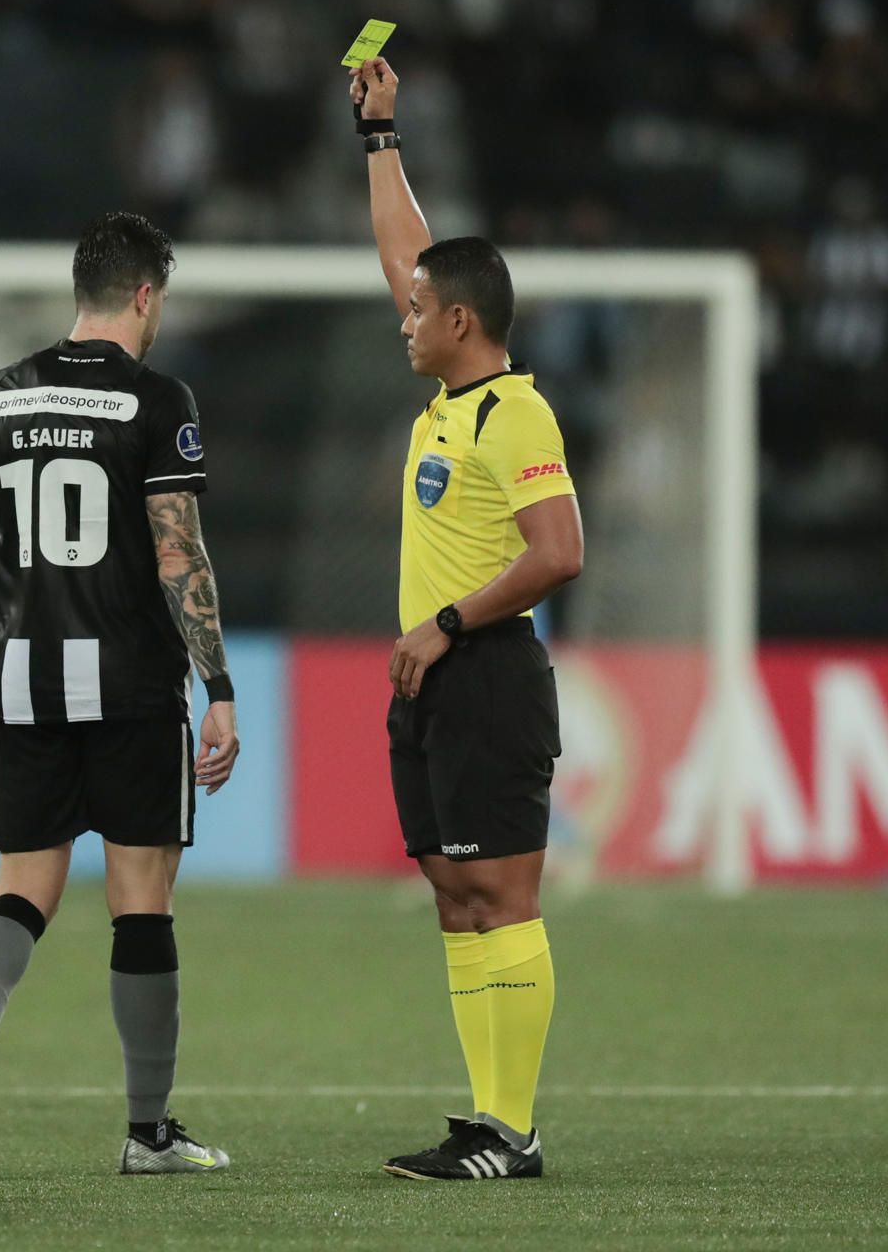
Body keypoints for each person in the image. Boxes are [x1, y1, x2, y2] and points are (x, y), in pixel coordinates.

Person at [0, 211, 240, 1179]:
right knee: (139, 897)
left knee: (22, 887)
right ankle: (148, 1132)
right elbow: (175, 549)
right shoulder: (158, 398)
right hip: (130, 683)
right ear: (145, 294)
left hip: (23, 678)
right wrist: (219, 684)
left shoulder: (3, 392)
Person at [349, 57, 584, 1180]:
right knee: (453, 895)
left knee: (504, 893)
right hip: (433, 678)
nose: (400, 314)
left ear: (460, 321)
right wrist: (379, 137)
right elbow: (411, 253)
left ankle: (514, 1127)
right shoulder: (450, 397)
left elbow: (560, 552)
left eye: (416, 309)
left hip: (486, 668)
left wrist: (444, 620)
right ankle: (488, 1117)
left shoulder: (515, 410)